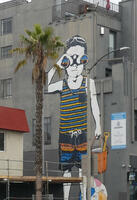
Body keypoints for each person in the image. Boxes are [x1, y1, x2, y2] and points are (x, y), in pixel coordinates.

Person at [48, 35, 101, 200]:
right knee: (66, 171)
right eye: (70, 59)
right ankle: (66, 198)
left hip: (82, 134)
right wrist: (58, 62)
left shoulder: (88, 82)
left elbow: (94, 104)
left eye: (80, 59)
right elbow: (44, 84)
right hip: (65, 135)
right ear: (66, 62)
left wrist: (98, 125)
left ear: (84, 61)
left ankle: (83, 197)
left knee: (82, 170)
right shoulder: (61, 85)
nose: (75, 65)